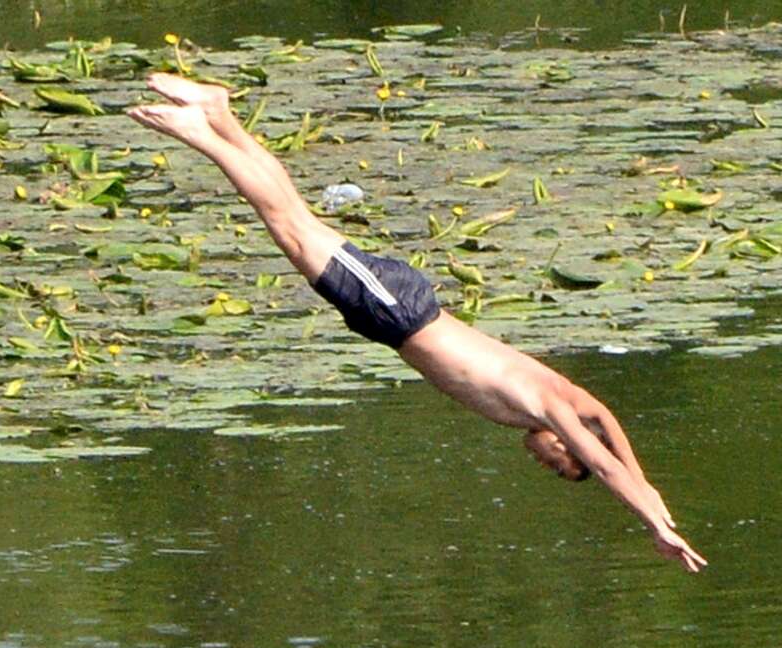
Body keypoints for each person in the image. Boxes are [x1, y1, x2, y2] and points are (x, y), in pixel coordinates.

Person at [125, 73, 706, 572]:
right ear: (568, 444)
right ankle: (205, 132)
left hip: (397, 312)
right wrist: (651, 520)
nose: (549, 465)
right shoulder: (550, 405)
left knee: (295, 219)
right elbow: (603, 457)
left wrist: (650, 489)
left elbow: (608, 422)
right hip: (399, 310)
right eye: (561, 466)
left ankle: (219, 117)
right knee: (291, 227)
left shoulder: (570, 400)